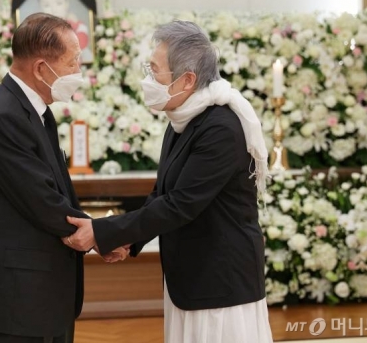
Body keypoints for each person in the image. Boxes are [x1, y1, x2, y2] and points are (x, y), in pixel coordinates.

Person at [63, 21, 274, 343]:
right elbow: (162, 194)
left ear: (187, 79)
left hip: (220, 282)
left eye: (155, 71)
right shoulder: (183, 120)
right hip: (191, 277)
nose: (148, 80)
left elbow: (181, 204)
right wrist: (130, 240)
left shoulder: (220, 127)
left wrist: (103, 232)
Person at [0, 13, 125, 343]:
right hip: (14, 296)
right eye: (73, 62)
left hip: (37, 293)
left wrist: (100, 232)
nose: (78, 73)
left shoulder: (32, 109)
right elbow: (42, 199)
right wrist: (104, 235)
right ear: (41, 68)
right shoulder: (5, 115)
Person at [37, 0, 94, 64]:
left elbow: (81, 44)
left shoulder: (78, 25)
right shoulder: (38, 31)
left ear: (66, 4)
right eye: (46, 5)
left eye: (59, 3)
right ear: (40, 8)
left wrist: (74, 24)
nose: (54, 9)